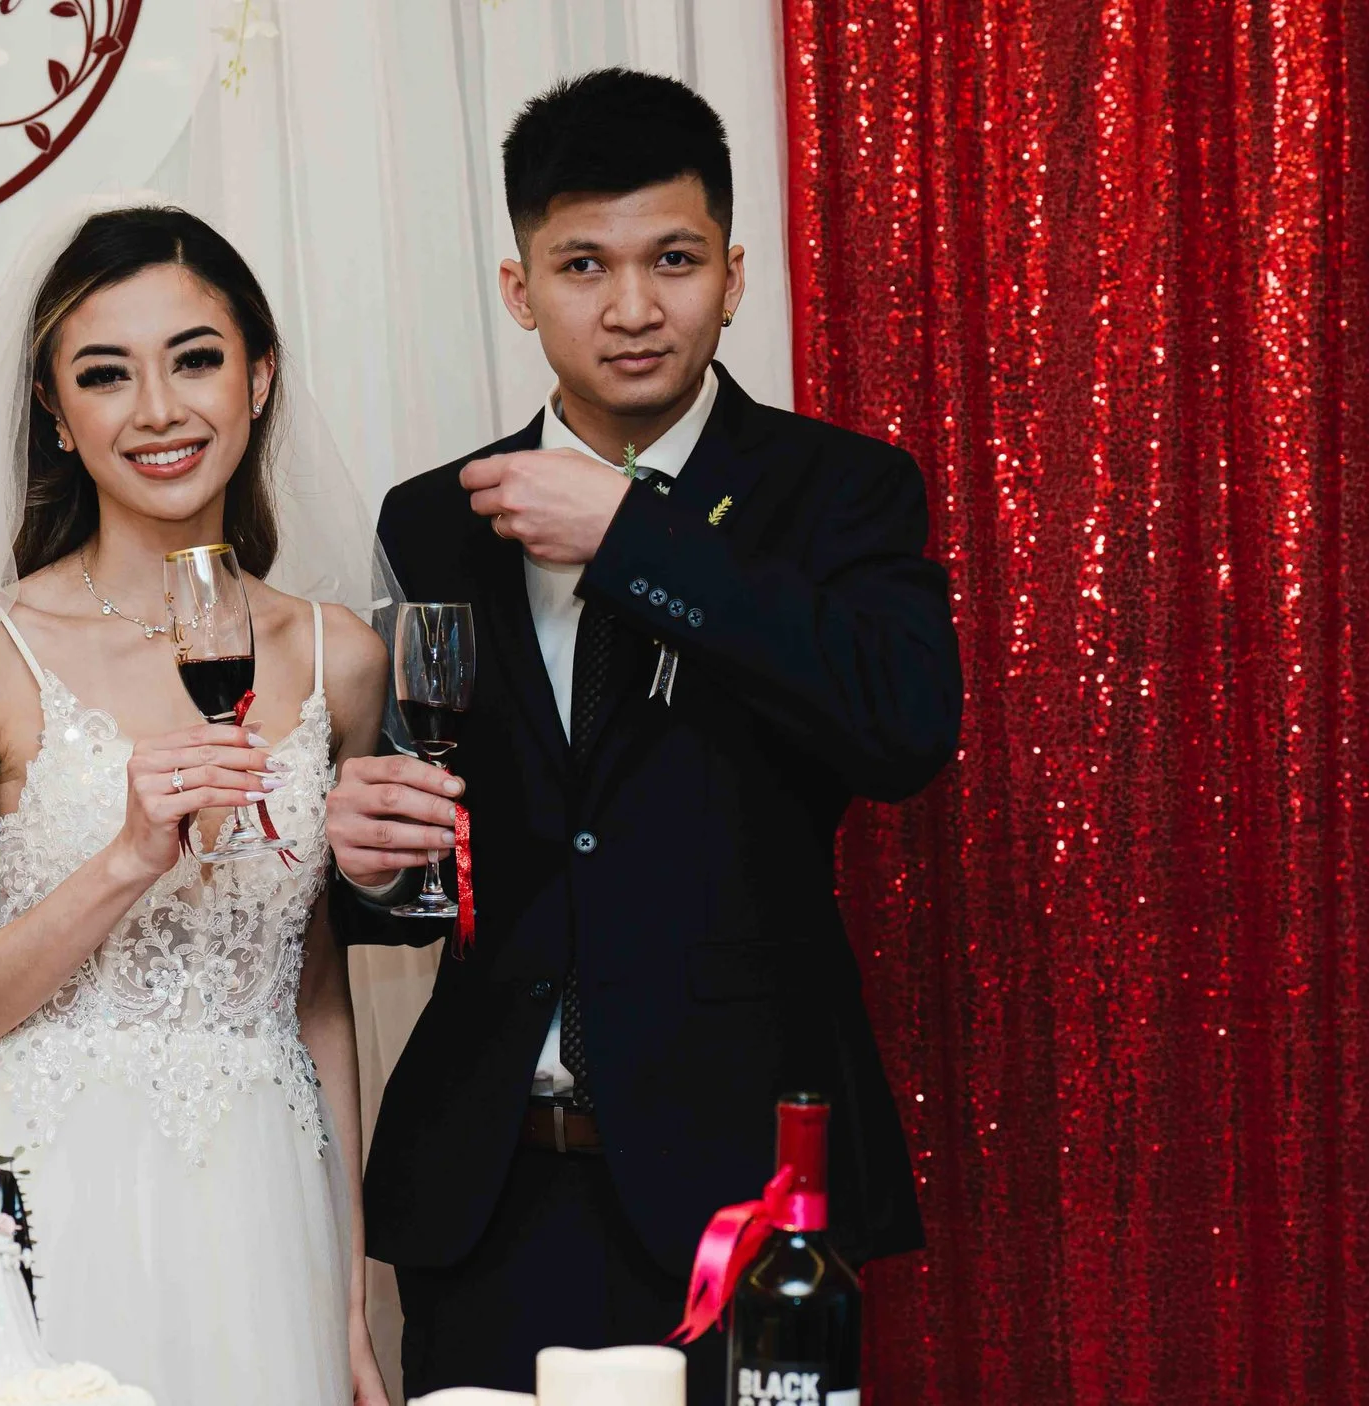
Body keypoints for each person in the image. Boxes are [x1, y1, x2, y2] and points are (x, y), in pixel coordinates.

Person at [325, 70, 964, 1404]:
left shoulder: (841, 490)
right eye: (584, 266)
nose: (631, 307)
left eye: (672, 259)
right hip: (492, 1192)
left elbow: (901, 727)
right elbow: (420, 859)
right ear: (521, 290)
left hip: (742, 1192)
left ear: (733, 276)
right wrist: (371, 863)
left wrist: (633, 536)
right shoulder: (434, 517)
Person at [0, 204, 394, 1406]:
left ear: (258, 377)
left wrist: (345, 1292)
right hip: (42, 1200)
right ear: (56, 413)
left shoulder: (341, 658)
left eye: (194, 358)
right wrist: (125, 857)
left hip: (260, 1202)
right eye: (106, 373)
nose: (158, 409)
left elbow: (315, 994)